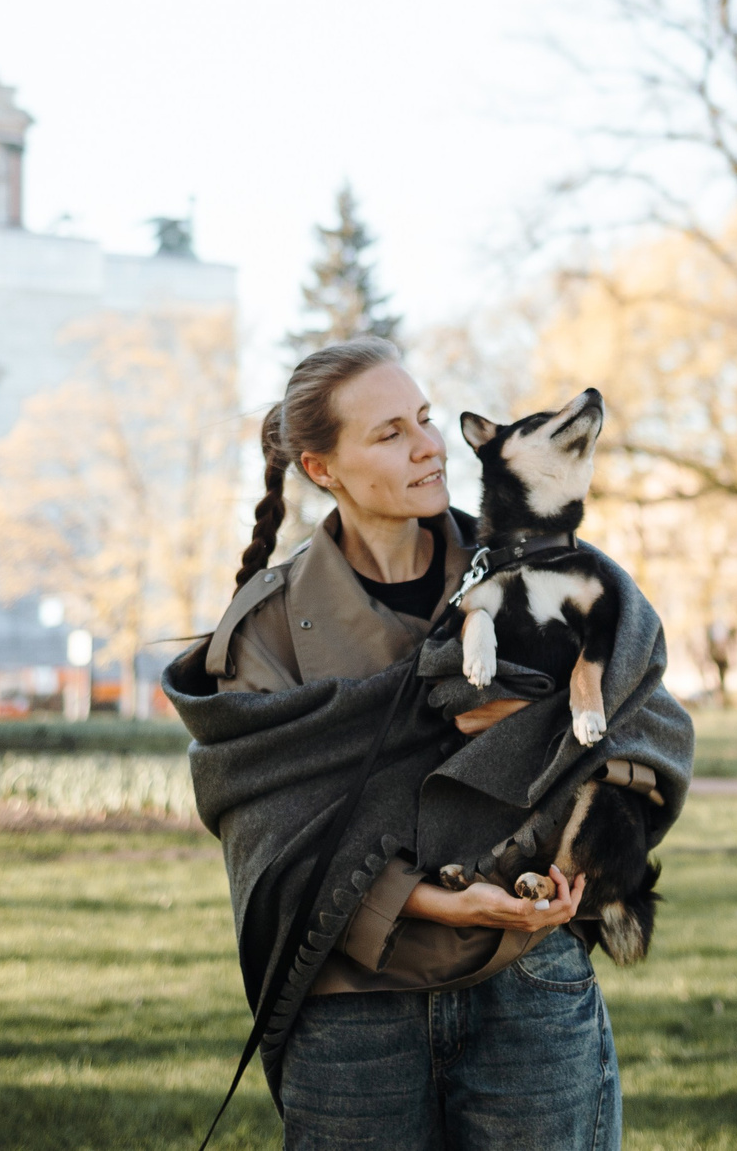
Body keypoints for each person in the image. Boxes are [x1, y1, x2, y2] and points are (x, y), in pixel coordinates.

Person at [165, 337, 691, 1151]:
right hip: (352, 1006)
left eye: (426, 418)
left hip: (529, 974)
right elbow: (272, 837)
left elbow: (652, 725)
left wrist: (555, 776)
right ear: (321, 468)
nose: (428, 445)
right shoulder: (267, 628)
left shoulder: (545, 566)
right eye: (389, 434)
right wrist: (440, 899)